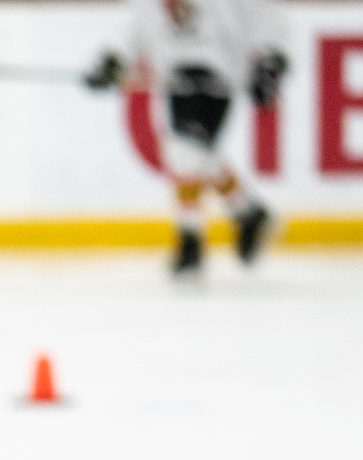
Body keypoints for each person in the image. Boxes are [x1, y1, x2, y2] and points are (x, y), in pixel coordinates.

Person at [88, 0, 290, 275]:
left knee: (185, 154)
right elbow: (133, 30)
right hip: (175, 79)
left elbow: (264, 13)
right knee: (189, 153)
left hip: (219, 78)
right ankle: (246, 213)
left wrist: (271, 61)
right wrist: (112, 61)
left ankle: (192, 238)